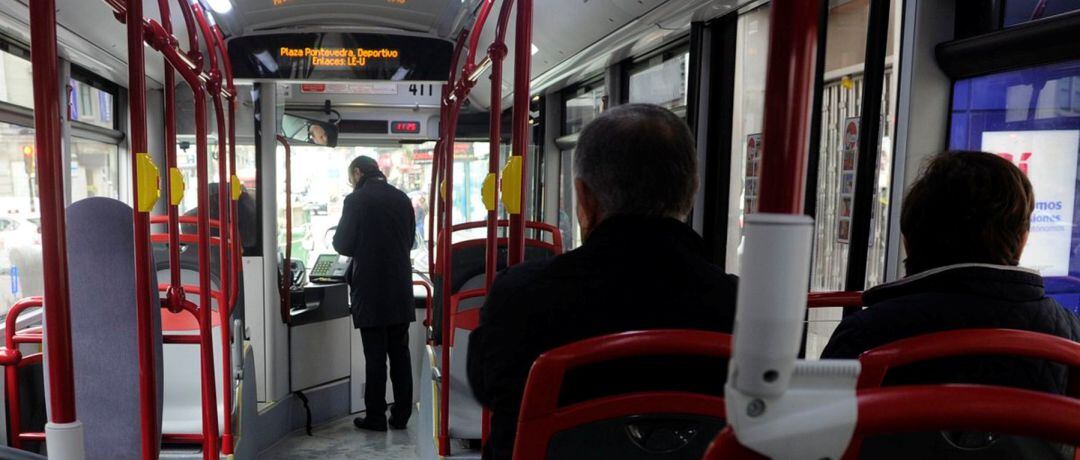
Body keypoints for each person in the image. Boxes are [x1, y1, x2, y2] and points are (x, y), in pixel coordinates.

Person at [466, 104, 738, 459]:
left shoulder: (519, 297)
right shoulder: (743, 309)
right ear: (691, 191)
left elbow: (487, 387)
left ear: (584, 199)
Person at [822, 151, 1080, 458]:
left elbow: (814, 438)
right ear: (1023, 239)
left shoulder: (865, 335)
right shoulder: (1069, 338)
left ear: (908, 239)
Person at [332, 156, 416, 431]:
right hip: (400, 287)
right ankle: (402, 415)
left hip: (370, 289)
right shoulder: (403, 198)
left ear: (357, 173)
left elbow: (342, 243)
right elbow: (410, 240)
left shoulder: (356, 200)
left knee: (376, 357)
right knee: (400, 354)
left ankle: (376, 417)